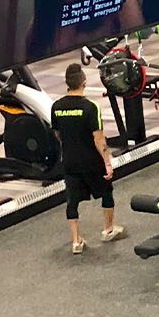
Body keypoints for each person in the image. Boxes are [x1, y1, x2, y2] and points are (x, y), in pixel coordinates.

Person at [51, 63, 123, 254]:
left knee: (72, 201)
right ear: (84, 82)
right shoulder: (91, 107)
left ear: (67, 84)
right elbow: (99, 139)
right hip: (92, 162)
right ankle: (108, 230)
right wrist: (108, 163)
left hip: (70, 162)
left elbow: (57, 133)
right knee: (106, 193)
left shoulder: (56, 107)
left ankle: (76, 241)